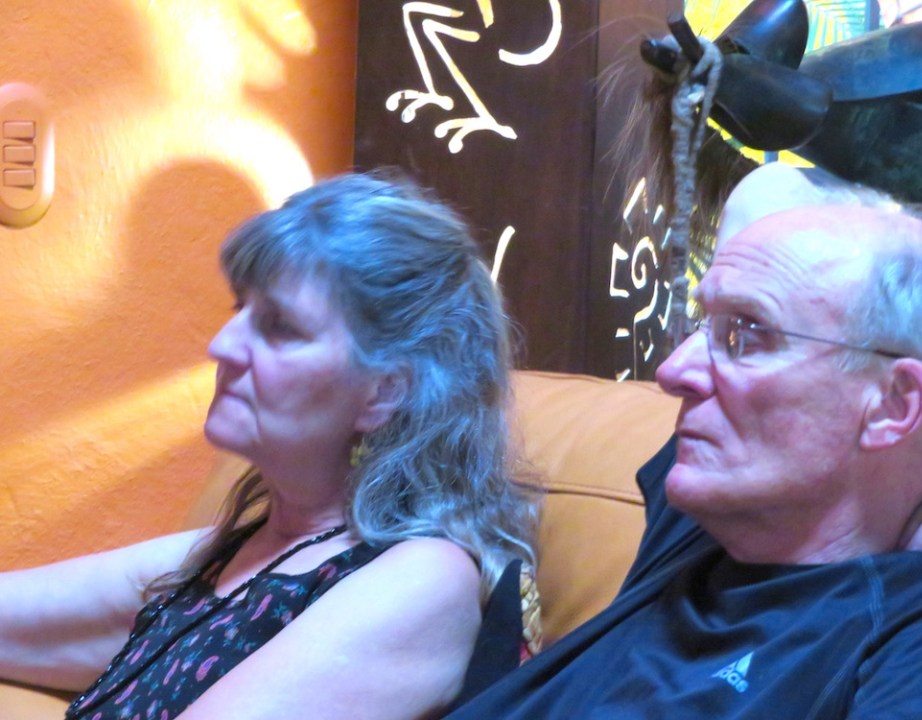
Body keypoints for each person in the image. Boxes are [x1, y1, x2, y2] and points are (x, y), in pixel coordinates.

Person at [0, 171, 538, 720]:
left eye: (280, 327)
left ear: (385, 391)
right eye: (240, 310)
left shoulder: (423, 579)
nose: (222, 345)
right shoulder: (240, 551)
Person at [445, 191, 922, 719]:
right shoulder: (703, 516)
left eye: (745, 334)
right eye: (704, 324)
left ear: (893, 405)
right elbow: (769, 186)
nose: (673, 372)